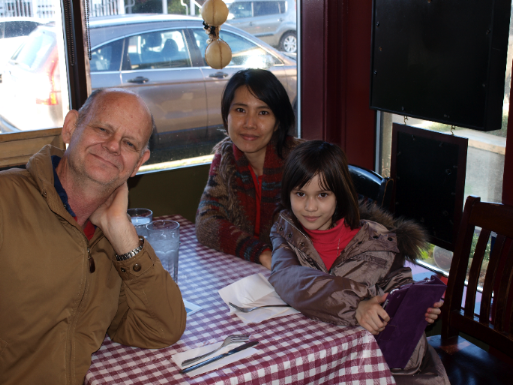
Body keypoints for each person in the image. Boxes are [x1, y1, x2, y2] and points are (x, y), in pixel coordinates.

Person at [0, 89, 186, 385]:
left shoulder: (110, 239)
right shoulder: (6, 200)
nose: (113, 146)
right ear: (71, 127)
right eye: (102, 129)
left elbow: (161, 328)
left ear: (139, 162)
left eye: (128, 143)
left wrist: (123, 233)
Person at [269, 141, 449, 384]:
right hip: (324, 364)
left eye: (322, 195)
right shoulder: (286, 232)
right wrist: (357, 305)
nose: (310, 207)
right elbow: (287, 276)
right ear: (287, 194)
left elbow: (399, 287)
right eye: (300, 194)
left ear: (340, 195)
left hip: (387, 368)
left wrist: (416, 309)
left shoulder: (379, 242)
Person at [195, 69, 301, 269]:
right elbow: (206, 222)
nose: (249, 123)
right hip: (257, 273)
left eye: (263, 112)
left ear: (278, 122)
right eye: (240, 110)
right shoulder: (226, 157)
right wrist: (260, 252)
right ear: (227, 116)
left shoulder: (302, 162)